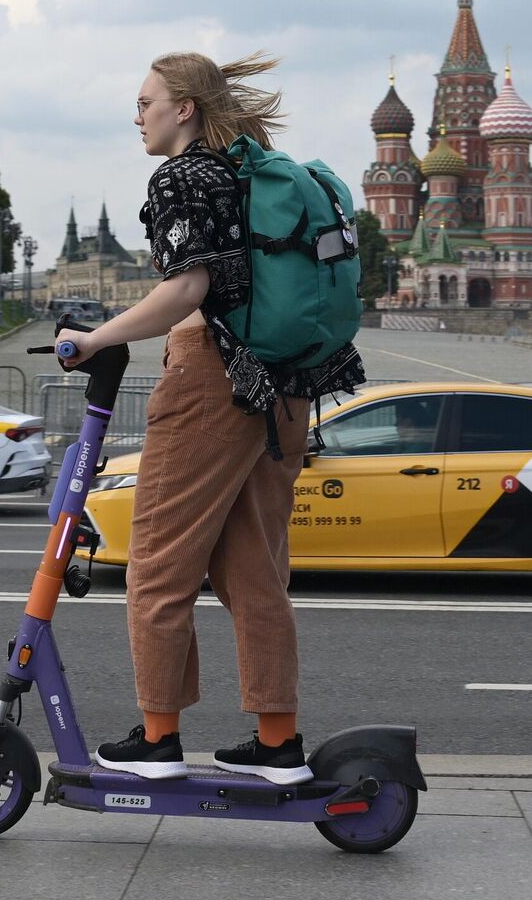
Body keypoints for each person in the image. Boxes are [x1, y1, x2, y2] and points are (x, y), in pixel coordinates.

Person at [54, 51, 364, 787]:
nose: (138, 116)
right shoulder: (251, 174)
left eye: (145, 102)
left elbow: (188, 288)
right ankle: (278, 741)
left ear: (183, 108)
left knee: (158, 561)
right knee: (254, 575)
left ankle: (159, 737)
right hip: (287, 385)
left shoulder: (186, 176)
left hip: (211, 380)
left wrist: (97, 337)